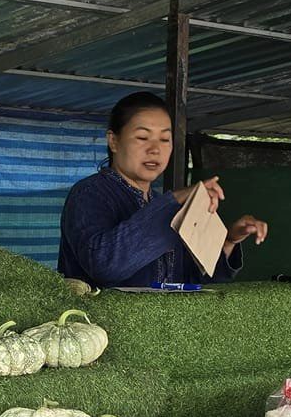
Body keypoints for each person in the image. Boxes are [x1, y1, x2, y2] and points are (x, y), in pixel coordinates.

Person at [57, 91, 269, 288]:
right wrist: (173, 201)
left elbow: (191, 279)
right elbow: (104, 265)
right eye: (142, 137)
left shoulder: (162, 203)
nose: (155, 149)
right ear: (113, 141)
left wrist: (229, 240)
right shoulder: (89, 193)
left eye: (165, 139)